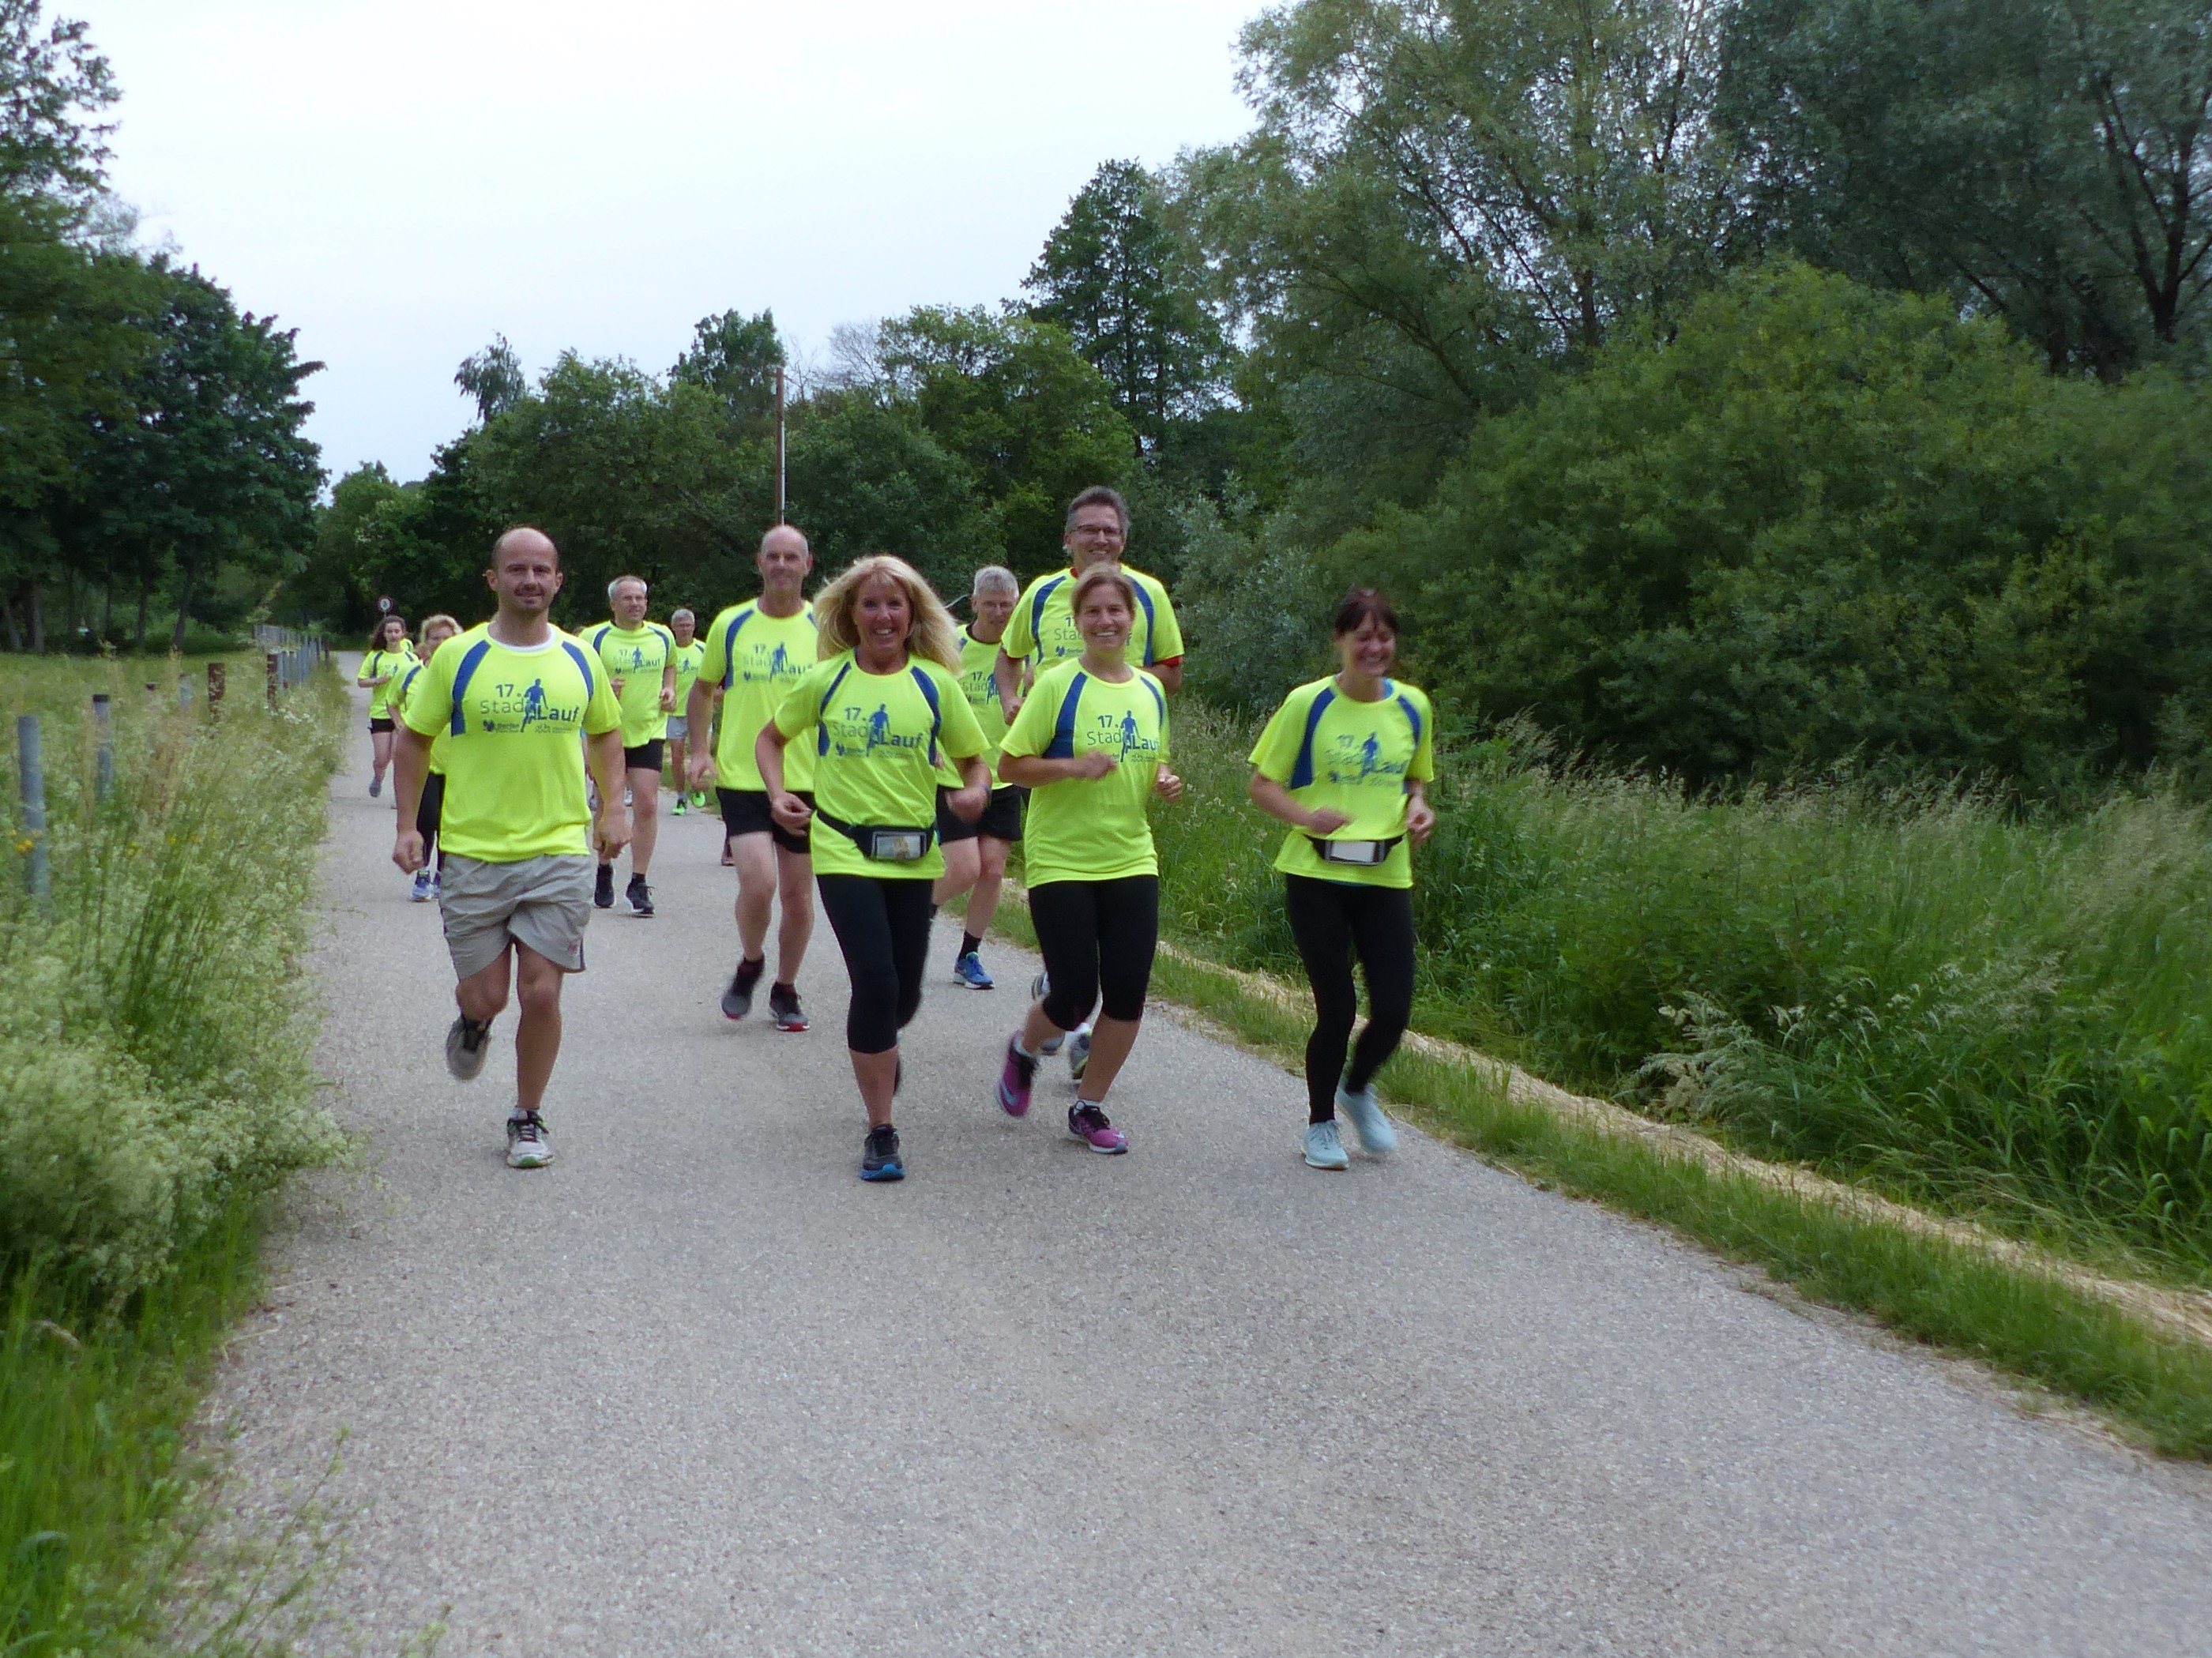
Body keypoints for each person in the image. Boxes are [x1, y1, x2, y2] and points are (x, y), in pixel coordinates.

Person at [392, 527, 629, 1170]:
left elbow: (608, 736)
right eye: (516, 569)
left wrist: (613, 807)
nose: (530, 580)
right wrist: (408, 826)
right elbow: (414, 740)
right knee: (488, 994)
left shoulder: (581, 658)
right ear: (493, 579)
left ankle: (527, 1115)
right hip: (473, 851)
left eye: (542, 570)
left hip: (559, 849)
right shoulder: (459, 656)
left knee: (543, 992)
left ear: (557, 580)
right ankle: (474, 1023)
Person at [758, 554, 988, 1182]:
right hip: (841, 847)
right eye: (870, 604)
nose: (883, 615)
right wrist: (778, 794)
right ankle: (881, 1130)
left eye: (894, 604)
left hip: (913, 854)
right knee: (877, 984)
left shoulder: (935, 684)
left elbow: (975, 761)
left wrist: (975, 793)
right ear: (850, 615)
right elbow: (770, 738)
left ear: (912, 615)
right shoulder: (827, 680)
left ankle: (882, 1045)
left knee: (903, 998)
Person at [992, 568, 1183, 1155]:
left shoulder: (1150, 691)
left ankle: (1089, 1104)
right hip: (1062, 859)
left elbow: (1151, 763)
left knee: (1127, 993)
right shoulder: (1056, 685)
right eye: (1093, 612)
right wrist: (1072, 766)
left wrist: (1165, 779)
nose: (1105, 621)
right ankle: (1025, 1049)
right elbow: (1011, 765)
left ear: (1133, 620)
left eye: (1116, 612)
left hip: (1131, 855)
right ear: (1077, 622)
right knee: (1076, 995)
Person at [1247, 588, 1436, 1171]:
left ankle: (1358, 1087)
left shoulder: (1412, 706)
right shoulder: (1307, 704)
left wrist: (1419, 807)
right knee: (1336, 1007)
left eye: (1384, 636)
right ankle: (1320, 1123)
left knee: (1396, 1010)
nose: (1375, 647)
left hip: (1386, 874)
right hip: (1317, 872)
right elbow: (1261, 784)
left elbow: (1414, 779)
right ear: (1340, 641)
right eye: (1363, 637)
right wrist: (1307, 816)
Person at [689, 524, 821, 1032]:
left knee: (797, 894)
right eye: (773, 556)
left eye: (792, 557)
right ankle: (750, 962)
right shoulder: (732, 623)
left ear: (807, 566)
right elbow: (702, 690)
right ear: (759, 562)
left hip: (808, 775)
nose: (782, 565)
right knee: (758, 882)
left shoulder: (826, 625)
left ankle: (786, 987)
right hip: (744, 772)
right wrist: (701, 750)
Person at [934, 566, 1025, 989]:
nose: (999, 613)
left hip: (1004, 773)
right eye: (990, 604)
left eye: (1007, 605)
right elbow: (924, 694)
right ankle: (921, 912)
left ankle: (969, 954)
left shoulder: (1023, 656)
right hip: (955, 774)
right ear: (974, 604)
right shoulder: (950, 647)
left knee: (992, 869)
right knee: (964, 868)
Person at [585, 576, 676, 916]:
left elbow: (670, 668)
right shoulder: (594, 638)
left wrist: (670, 691)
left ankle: (639, 881)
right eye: (627, 598)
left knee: (648, 804)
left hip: (649, 729)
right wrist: (603, 687)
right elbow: (580, 682)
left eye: (640, 598)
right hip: (607, 732)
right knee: (609, 805)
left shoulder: (662, 635)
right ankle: (604, 868)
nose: (635, 604)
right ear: (613, 604)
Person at [389, 613, 461, 900]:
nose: (442, 643)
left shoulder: (466, 674)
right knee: (426, 817)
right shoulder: (411, 673)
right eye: (435, 638)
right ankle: (422, 874)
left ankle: (445, 874)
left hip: (458, 761)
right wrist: (400, 725)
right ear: (425, 643)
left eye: (447, 638)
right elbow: (393, 701)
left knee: (450, 821)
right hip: (426, 760)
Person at [358, 615, 416, 798]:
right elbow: (361, 681)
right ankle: (378, 777)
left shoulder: (411, 658)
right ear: (384, 634)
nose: (393, 635)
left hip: (403, 715)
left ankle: (401, 797)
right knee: (382, 758)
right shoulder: (375, 657)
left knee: (399, 757)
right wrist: (378, 680)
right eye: (389, 631)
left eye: (397, 631)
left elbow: (418, 681)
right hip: (380, 713)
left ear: (403, 634)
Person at [666, 607, 709, 815]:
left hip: (700, 713)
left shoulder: (703, 649)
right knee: (676, 756)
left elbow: (714, 679)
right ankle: (681, 796)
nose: (685, 630)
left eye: (688, 626)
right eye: (681, 626)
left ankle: (697, 789)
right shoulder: (669, 650)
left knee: (700, 754)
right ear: (673, 628)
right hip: (675, 713)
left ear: (694, 627)